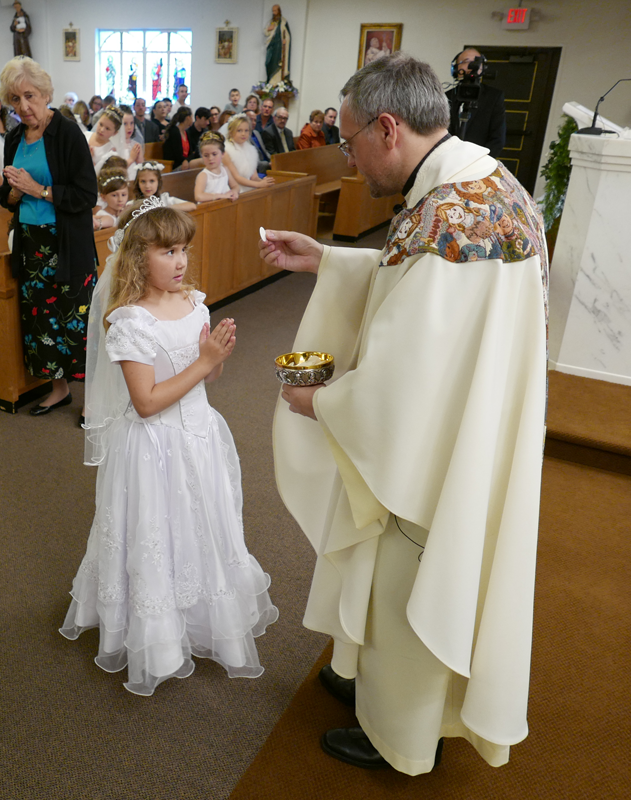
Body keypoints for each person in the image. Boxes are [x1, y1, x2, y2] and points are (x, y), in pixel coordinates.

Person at [260, 52, 548, 776]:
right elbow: (416, 277)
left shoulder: (452, 216)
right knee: (394, 568)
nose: (351, 160)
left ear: (389, 128)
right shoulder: (479, 180)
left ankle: (400, 737)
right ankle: (365, 678)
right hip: (467, 423)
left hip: (438, 446)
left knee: (411, 573)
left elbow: (404, 377)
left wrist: (318, 400)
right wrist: (327, 259)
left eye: (351, 141)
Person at [60, 200, 278, 696]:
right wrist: (204, 362)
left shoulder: (194, 303)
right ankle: (157, 637)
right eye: (167, 252)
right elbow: (146, 402)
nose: (180, 261)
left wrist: (216, 357)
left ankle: (201, 613)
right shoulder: (130, 321)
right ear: (139, 258)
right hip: (153, 446)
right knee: (157, 530)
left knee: (200, 524)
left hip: (198, 434)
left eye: (184, 250)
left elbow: (209, 377)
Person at [0, 56, 98, 417]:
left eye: (30, 95)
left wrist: (38, 189)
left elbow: (87, 195)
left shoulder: (67, 133)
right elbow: (5, 195)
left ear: (45, 94)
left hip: (66, 243)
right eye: (14, 99)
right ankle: (60, 390)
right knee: (43, 323)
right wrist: (14, 192)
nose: (23, 106)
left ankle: (94, 400)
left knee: (77, 322)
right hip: (31, 245)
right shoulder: (14, 137)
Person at [446, 48, 506, 157]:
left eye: (476, 61)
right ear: (455, 68)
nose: (471, 66)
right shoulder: (446, 97)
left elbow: (497, 139)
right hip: (448, 160)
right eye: (466, 61)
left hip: (478, 162)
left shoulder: (494, 97)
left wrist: (478, 164)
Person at [223, 115, 275, 193]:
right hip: (233, 189)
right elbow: (237, 177)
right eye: (239, 130)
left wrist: (263, 182)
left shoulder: (251, 149)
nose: (243, 134)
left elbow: (254, 177)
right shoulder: (226, 151)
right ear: (231, 132)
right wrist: (259, 185)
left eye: (246, 130)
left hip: (249, 186)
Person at [194, 131, 239, 203]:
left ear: (223, 154)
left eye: (214, 154)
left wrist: (234, 192)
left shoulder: (225, 170)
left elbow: (235, 186)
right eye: (206, 155)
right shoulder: (203, 175)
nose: (210, 158)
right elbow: (198, 196)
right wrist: (221, 196)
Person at [86, 105, 124, 173]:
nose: (102, 130)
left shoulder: (110, 151)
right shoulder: (85, 135)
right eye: (100, 124)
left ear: (114, 133)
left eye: (107, 128)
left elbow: (102, 176)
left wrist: (90, 160)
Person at [264, 4, 291, 83]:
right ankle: (270, 80)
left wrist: (285, 40)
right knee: (268, 62)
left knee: (279, 63)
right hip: (272, 45)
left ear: (279, 11)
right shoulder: (271, 22)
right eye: (273, 11)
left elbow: (287, 34)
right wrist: (269, 29)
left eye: (275, 10)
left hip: (280, 46)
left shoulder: (283, 21)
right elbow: (266, 33)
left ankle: (277, 81)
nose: (274, 12)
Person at [161, 106, 194, 171]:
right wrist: (186, 161)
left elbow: (191, 153)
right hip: (175, 165)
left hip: (185, 163)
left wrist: (187, 160)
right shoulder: (174, 132)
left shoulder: (186, 132)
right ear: (188, 118)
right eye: (192, 117)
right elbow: (177, 155)